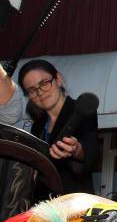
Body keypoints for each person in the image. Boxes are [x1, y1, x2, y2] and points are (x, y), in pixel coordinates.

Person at [18, 59, 98, 199]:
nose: (40, 92)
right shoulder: (38, 125)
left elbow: (89, 152)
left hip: (73, 204)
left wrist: (77, 150)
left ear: (58, 79)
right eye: (32, 90)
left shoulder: (80, 109)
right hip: (43, 207)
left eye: (44, 83)